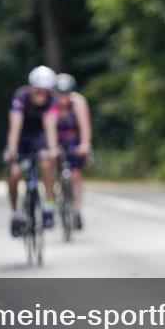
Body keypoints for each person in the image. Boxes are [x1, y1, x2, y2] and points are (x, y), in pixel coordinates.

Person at [4, 66, 60, 237]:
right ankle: (15, 214)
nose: (41, 95)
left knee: (46, 164)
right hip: (21, 137)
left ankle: (49, 206)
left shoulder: (52, 101)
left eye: (45, 91)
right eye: (37, 90)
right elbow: (15, 127)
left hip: (38, 136)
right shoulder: (21, 98)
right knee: (13, 174)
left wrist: (52, 148)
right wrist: (11, 150)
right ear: (31, 87)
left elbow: (50, 127)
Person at [53, 73, 93, 230]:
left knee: (75, 174)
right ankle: (57, 197)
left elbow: (85, 126)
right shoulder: (51, 104)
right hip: (55, 142)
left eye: (66, 93)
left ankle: (77, 210)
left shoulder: (78, 102)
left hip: (73, 141)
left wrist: (85, 145)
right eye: (60, 93)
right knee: (52, 169)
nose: (63, 97)